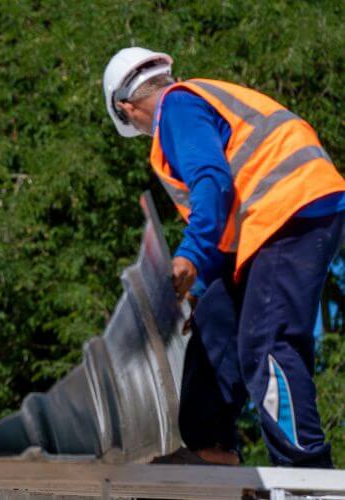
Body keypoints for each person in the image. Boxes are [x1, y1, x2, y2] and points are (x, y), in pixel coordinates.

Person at [102, 47, 344, 467]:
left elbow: (212, 182)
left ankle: (305, 472)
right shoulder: (201, 103)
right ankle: (211, 448)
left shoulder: (176, 106)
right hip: (270, 220)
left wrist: (189, 255)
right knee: (214, 316)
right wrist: (197, 287)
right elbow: (229, 221)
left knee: (266, 341)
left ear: (126, 108)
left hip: (289, 208)